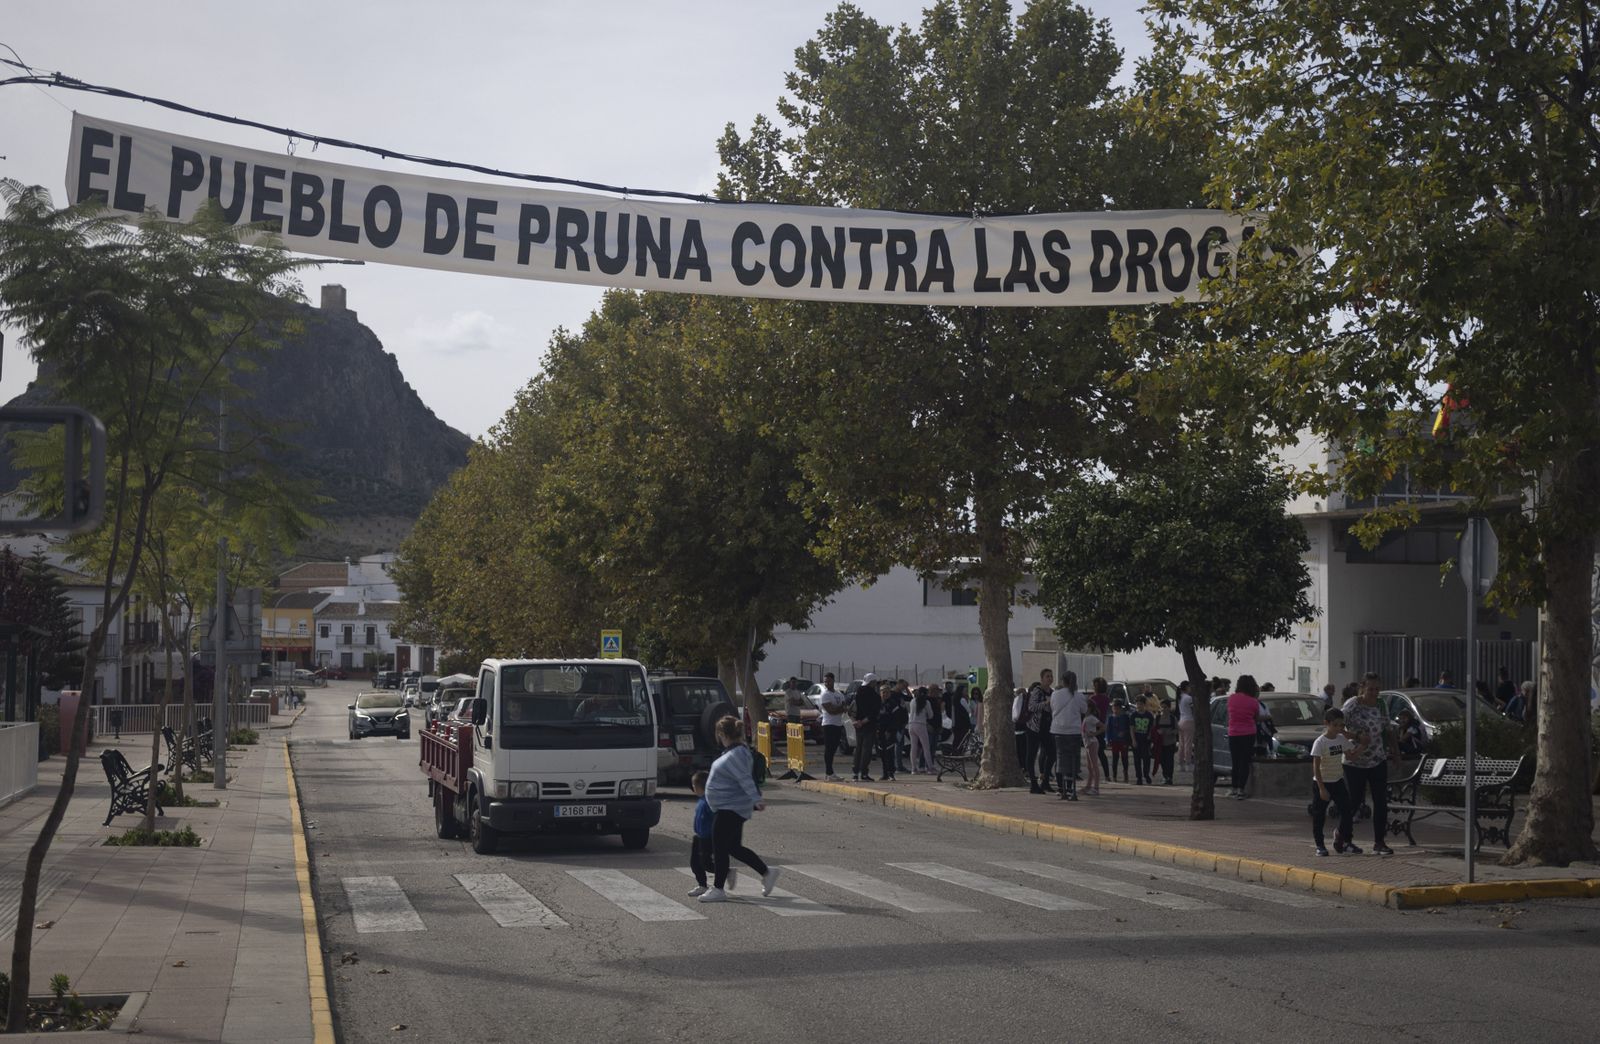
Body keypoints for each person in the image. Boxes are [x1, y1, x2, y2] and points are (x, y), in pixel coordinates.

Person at [700, 716, 778, 902]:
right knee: (732, 847)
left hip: (731, 807)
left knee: (719, 846)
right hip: (730, 806)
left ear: (722, 734)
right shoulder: (735, 751)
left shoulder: (736, 755)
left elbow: (745, 779)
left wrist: (757, 799)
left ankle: (718, 889)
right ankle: (767, 873)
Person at [1341, 672, 1397, 855]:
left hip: (1377, 760)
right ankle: (1344, 838)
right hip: (1355, 761)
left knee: (1380, 802)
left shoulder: (1381, 705)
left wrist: (1396, 753)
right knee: (1354, 801)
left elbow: (1388, 729)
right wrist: (1357, 736)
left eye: (1377, 689)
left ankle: (1379, 842)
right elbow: (1337, 727)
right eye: (1370, 689)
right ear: (1362, 688)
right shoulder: (1353, 705)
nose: (1374, 693)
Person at [1309, 709, 1358, 857]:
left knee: (1347, 812)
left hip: (1338, 781)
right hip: (1322, 782)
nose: (1338, 728)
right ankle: (1320, 845)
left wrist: (1362, 746)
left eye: (1341, 725)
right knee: (1319, 815)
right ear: (1327, 724)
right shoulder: (1320, 742)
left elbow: (1351, 757)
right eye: (1335, 725)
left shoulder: (1341, 739)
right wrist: (1322, 789)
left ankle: (1345, 841)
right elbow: (1316, 768)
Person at [685, 770, 734, 896]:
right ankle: (702, 885)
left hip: (708, 837)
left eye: (694, 786)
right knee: (694, 863)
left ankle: (726, 872)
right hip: (698, 836)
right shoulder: (701, 799)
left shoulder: (709, 801)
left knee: (705, 863)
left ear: (699, 787)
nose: (693, 789)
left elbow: (716, 819)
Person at [1049, 671, 1088, 800]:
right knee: (1073, 759)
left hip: (1058, 730)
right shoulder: (1079, 696)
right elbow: (1084, 710)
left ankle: (1061, 787)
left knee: (1060, 758)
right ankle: (1071, 787)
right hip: (1074, 731)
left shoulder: (1055, 694)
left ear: (1062, 681)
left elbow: (1053, 708)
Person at [1225, 675, 1264, 799]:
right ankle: (1241, 790)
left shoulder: (1231, 698)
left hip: (1233, 733)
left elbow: (1229, 714)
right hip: (1248, 733)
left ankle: (1234, 788)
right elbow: (1256, 718)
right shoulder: (1253, 701)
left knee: (1235, 761)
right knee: (1245, 762)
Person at [1025, 672, 1053, 793]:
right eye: (1047, 676)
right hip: (1034, 727)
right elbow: (1031, 707)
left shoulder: (1052, 692)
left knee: (1052, 753)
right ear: (1041, 678)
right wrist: (1045, 703)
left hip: (1047, 728)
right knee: (1031, 755)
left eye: (1051, 676)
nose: (1050, 678)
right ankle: (1033, 783)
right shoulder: (1037, 691)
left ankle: (1045, 781)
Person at [818, 673, 849, 782]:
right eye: (825, 681)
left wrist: (839, 708)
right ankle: (828, 772)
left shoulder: (839, 694)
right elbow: (831, 711)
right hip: (828, 724)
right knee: (829, 749)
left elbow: (844, 707)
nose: (827, 683)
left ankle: (831, 772)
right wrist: (840, 708)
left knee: (834, 748)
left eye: (829, 681)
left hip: (838, 724)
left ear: (833, 681)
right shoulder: (825, 695)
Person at [851, 675, 881, 782]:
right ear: (872, 683)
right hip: (869, 725)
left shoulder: (857, 693)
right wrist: (864, 722)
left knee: (858, 748)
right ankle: (864, 773)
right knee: (866, 750)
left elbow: (852, 709)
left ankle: (855, 773)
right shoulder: (875, 696)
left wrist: (856, 721)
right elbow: (874, 713)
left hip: (858, 725)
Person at [876, 683, 907, 780]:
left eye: (887, 692)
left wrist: (890, 730)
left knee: (890, 753)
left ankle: (891, 773)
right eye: (883, 692)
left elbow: (896, 718)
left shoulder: (893, 704)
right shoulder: (877, 704)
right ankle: (884, 773)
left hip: (890, 732)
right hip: (879, 732)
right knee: (882, 753)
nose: (885, 694)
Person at [907, 685, 936, 773]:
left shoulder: (912, 701)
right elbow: (931, 715)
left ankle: (913, 768)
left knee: (914, 747)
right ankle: (930, 767)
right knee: (926, 747)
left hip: (911, 725)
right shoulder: (926, 702)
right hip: (921, 725)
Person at [1089, 678, 1112, 779]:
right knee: (1101, 752)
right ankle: (1107, 775)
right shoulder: (1107, 699)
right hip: (1101, 725)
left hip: (1093, 726)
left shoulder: (1093, 698)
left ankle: (1092, 774)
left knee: (1091, 751)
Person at [1130, 695, 1156, 785]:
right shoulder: (1133, 715)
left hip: (1146, 740)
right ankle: (1139, 777)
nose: (1139, 706)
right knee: (1137, 760)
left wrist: (1150, 736)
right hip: (1137, 739)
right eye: (1137, 704)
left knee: (1146, 759)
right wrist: (1133, 740)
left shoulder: (1149, 715)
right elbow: (1132, 728)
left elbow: (1152, 727)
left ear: (1144, 705)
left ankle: (1146, 774)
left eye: (1141, 704)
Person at [1154, 696, 1179, 784]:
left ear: (1169, 708)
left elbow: (1177, 730)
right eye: (1162, 707)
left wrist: (1171, 732)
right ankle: (1165, 776)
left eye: (1165, 707)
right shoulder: (1157, 718)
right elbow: (1154, 729)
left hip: (1170, 743)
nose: (1164, 709)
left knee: (1170, 761)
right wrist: (1158, 732)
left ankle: (1169, 777)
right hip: (1160, 744)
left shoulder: (1173, 718)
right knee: (1162, 761)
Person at [1104, 700, 1131, 782]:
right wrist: (1107, 740)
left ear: (1120, 708)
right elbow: (1108, 730)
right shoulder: (1111, 717)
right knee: (1115, 758)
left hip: (1123, 740)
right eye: (1113, 707)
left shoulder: (1125, 717)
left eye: (1116, 707)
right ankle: (1114, 775)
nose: (1115, 709)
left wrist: (1125, 733)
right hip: (1114, 740)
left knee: (1124, 758)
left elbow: (1129, 728)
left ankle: (1125, 773)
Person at [1081, 702, 1103, 796]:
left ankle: (1096, 788)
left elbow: (1103, 726)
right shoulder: (1085, 718)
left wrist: (1094, 734)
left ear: (1089, 708)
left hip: (1092, 743)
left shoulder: (1091, 718)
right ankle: (1088, 786)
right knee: (1089, 767)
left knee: (1094, 766)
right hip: (1087, 744)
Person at [1177, 680, 1195, 770]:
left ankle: (1181, 764)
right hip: (1189, 721)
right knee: (1188, 743)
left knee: (1181, 744)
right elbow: (1193, 710)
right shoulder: (1189, 698)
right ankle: (1188, 763)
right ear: (1187, 687)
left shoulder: (1180, 697)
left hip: (1181, 721)